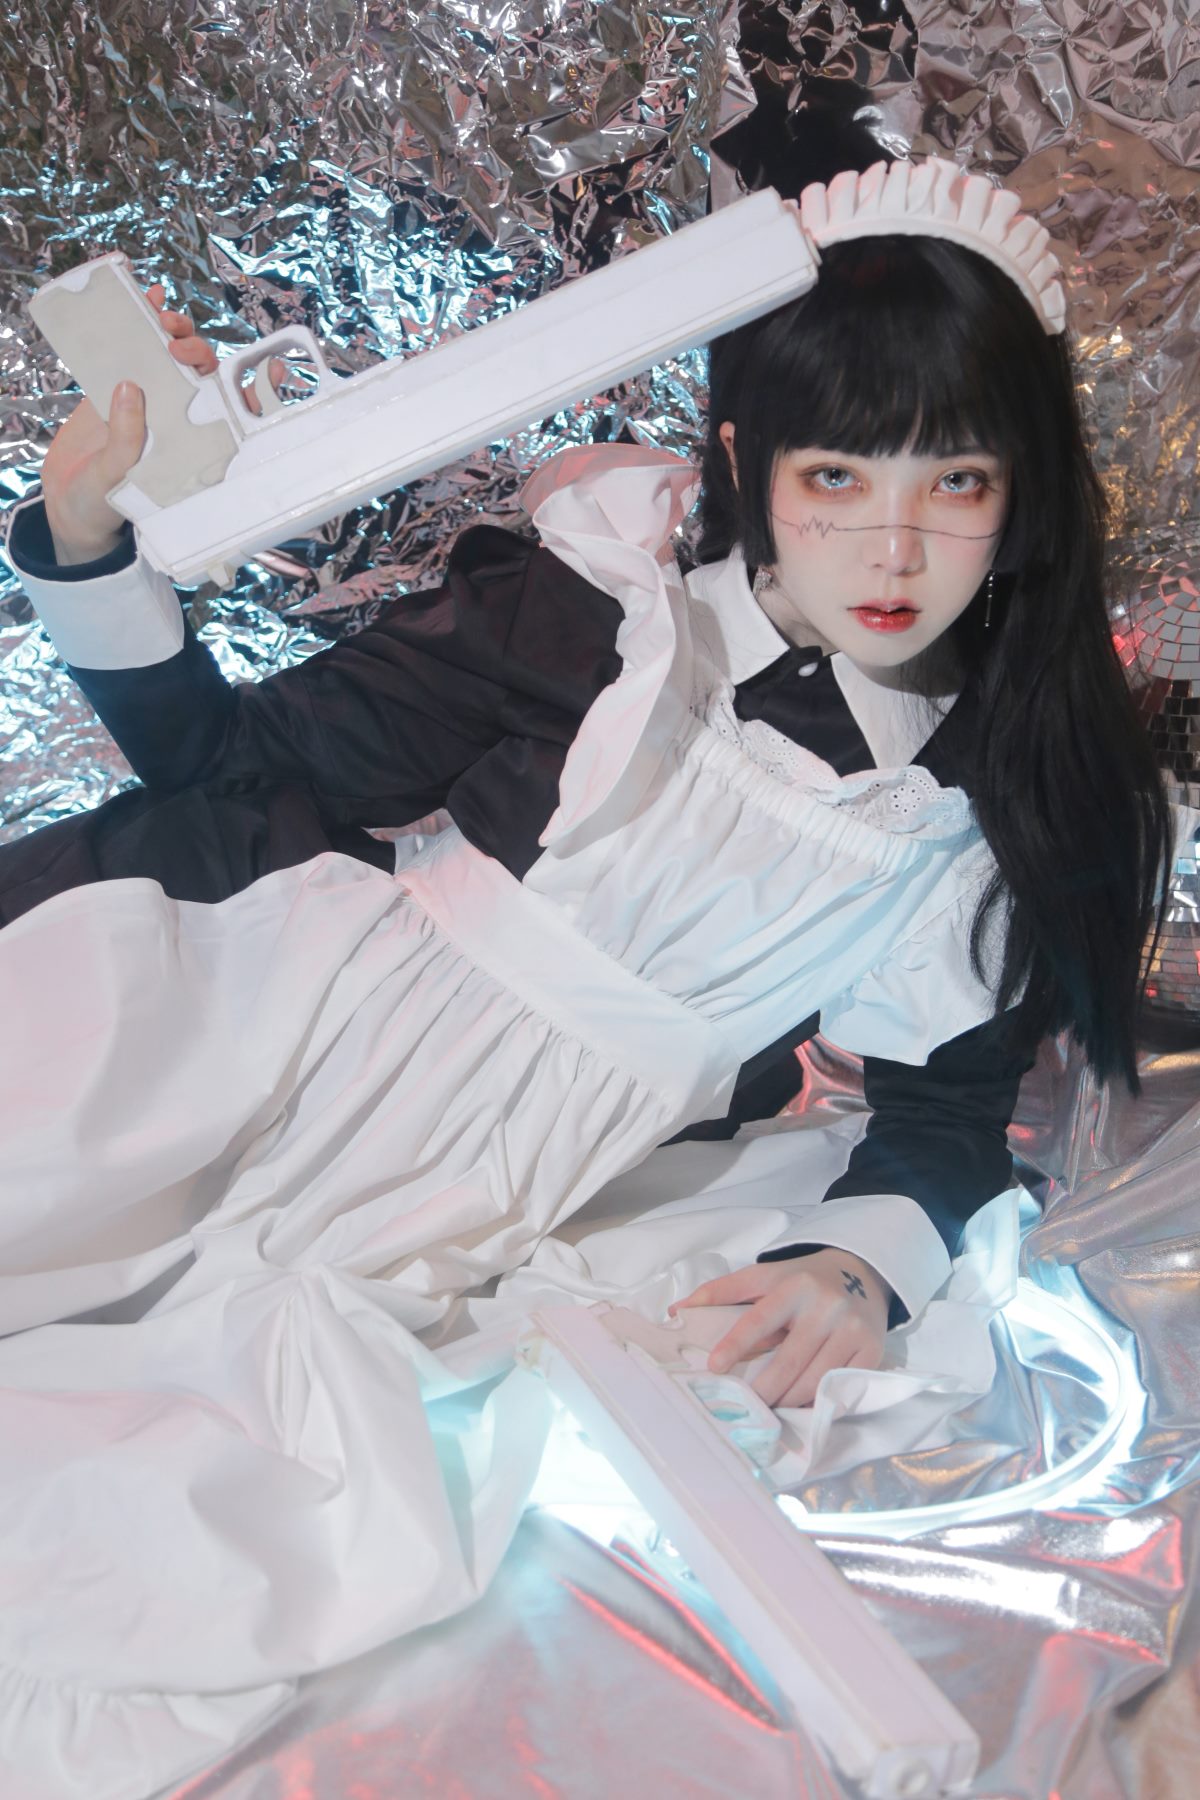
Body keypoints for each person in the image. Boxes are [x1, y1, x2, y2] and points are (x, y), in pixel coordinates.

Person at [0, 155, 1175, 1790]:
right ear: (746, 458)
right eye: (838, 475)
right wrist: (81, 544)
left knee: (199, 1509)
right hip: (274, 1039)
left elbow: (946, 1116)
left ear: (1021, 491)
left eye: (957, 481)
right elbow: (235, 762)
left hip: (491, 1193)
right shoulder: (595, 612)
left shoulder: (972, 808)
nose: (895, 545)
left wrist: (856, 1272)